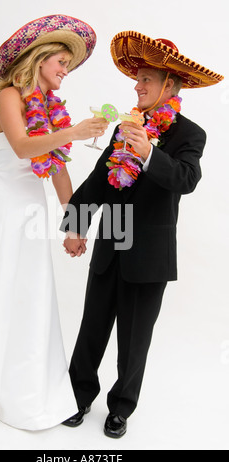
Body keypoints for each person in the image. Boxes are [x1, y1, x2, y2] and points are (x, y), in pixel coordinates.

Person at [0, 14, 108, 438]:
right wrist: (74, 131)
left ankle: (18, 390)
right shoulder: (10, 96)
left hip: (29, 212)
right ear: (40, 58)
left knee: (26, 296)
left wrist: (74, 224)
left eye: (68, 64)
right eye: (62, 61)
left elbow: (59, 171)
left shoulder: (51, 109)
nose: (66, 70)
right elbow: (24, 146)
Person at [61, 31, 223, 438]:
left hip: (148, 257)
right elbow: (99, 181)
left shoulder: (190, 134)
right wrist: (76, 226)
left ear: (169, 85)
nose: (137, 86)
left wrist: (150, 152)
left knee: (135, 342)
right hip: (109, 246)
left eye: (145, 79)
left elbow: (186, 180)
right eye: (137, 80)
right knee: (91, 329)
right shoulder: (124, 128)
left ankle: (121, 409)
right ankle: (76, 398)